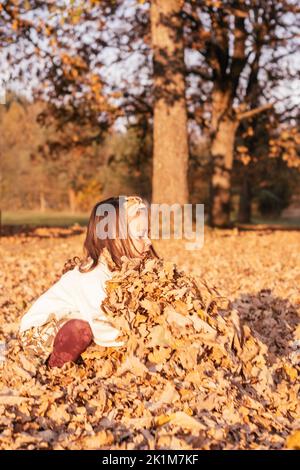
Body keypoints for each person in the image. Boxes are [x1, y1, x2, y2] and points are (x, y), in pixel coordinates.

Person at [19, 195, 159, 368]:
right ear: (114, 239)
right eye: (140, 236)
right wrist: (136, 344)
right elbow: (101, 324)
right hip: (39, 332)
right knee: (80, 329)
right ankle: (55, 366)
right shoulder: (93, 276)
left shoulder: (126, 271)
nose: (149, 241)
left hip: (81, 322)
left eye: (148, 233)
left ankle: (81, 359)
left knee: (84, 329)